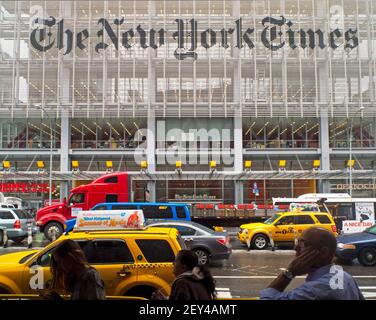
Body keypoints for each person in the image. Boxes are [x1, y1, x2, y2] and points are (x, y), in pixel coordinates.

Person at [260, 227, 364, 300]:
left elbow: (267, 297)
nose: (296, 248)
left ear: (323, 252)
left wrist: (289, 272)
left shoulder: (316, 290)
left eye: (303, 244)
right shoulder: (346, 277)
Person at [152, 250, 216, 300]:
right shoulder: (200, 279)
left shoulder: (182, 283)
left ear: (183, 267)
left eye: (176, 261)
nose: (173, 263)